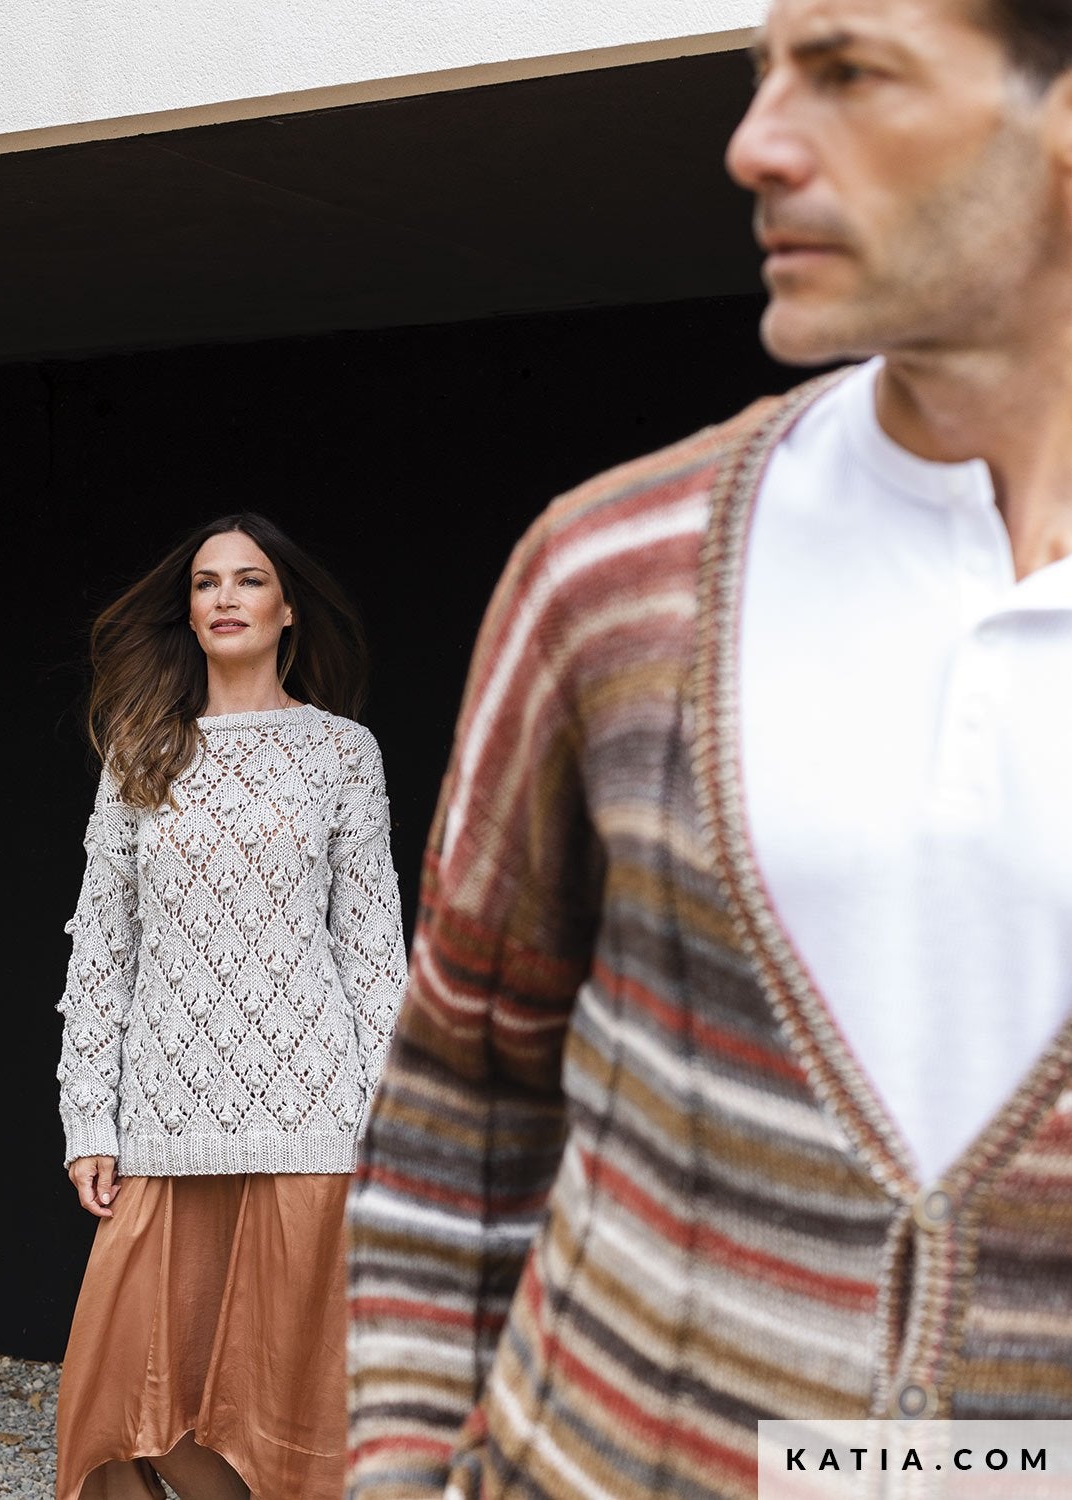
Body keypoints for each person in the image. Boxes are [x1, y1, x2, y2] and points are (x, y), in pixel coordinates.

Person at [347, 1, 1072, 1495]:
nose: (753, 145)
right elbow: (456, 1103)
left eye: (848, 71)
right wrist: (404, 1475)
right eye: (762, 74)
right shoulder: (611, 573)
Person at [54, 512, 408, 1500]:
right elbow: (103, 949)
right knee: (122, 1402)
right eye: (207, 583)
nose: (225, 598)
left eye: (249, 580)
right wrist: (89, 1119)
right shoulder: (141, 753)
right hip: (165, 1114)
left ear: (287, 609)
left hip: (314, 1115)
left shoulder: (342, 753)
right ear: (189, 610)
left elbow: (373, 952)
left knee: (281, 1407)